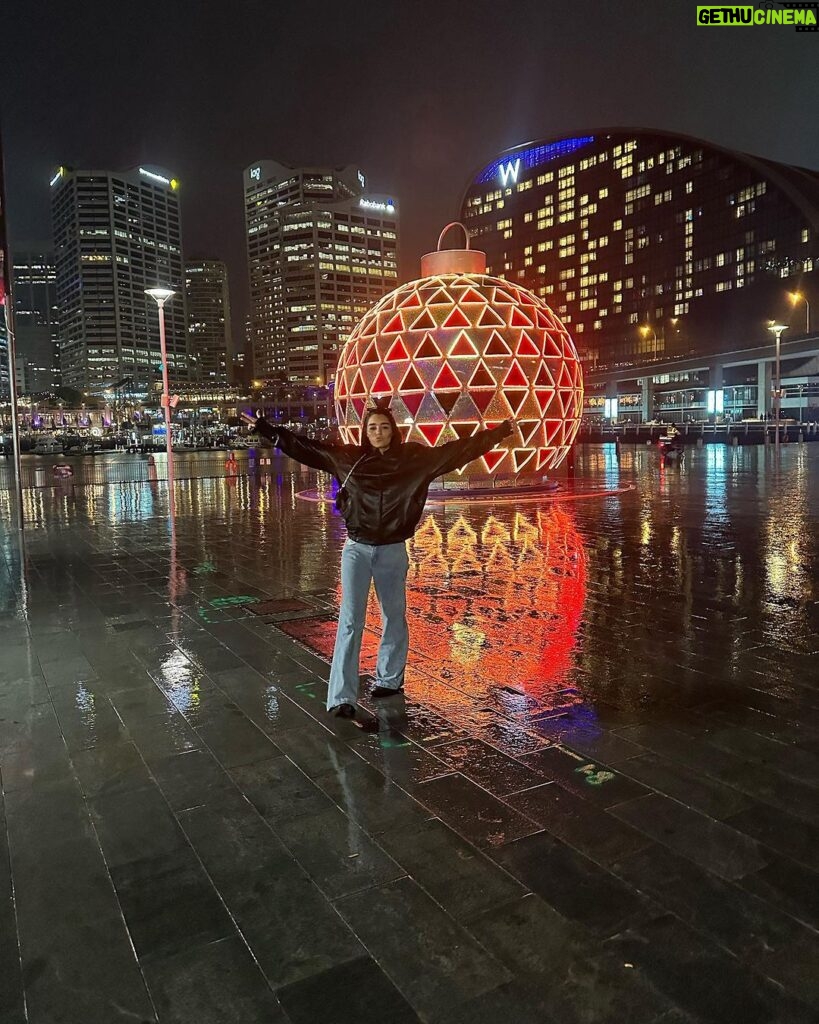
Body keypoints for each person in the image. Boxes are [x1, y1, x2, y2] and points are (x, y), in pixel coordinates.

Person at [244, 402, 513, 717]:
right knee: (350, 620)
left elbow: (458, 451)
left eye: (384, 427)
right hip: (357, 549)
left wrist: (498, 434)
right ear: (365, 431)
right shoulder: (349, 458)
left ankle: (389, 679)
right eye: (372, 428)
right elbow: (307, 449)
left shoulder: (415, 459)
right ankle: (342, 697)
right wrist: (267, 430)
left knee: (394, 616)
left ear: (393, 430)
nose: (378, 433)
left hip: (392, 549)